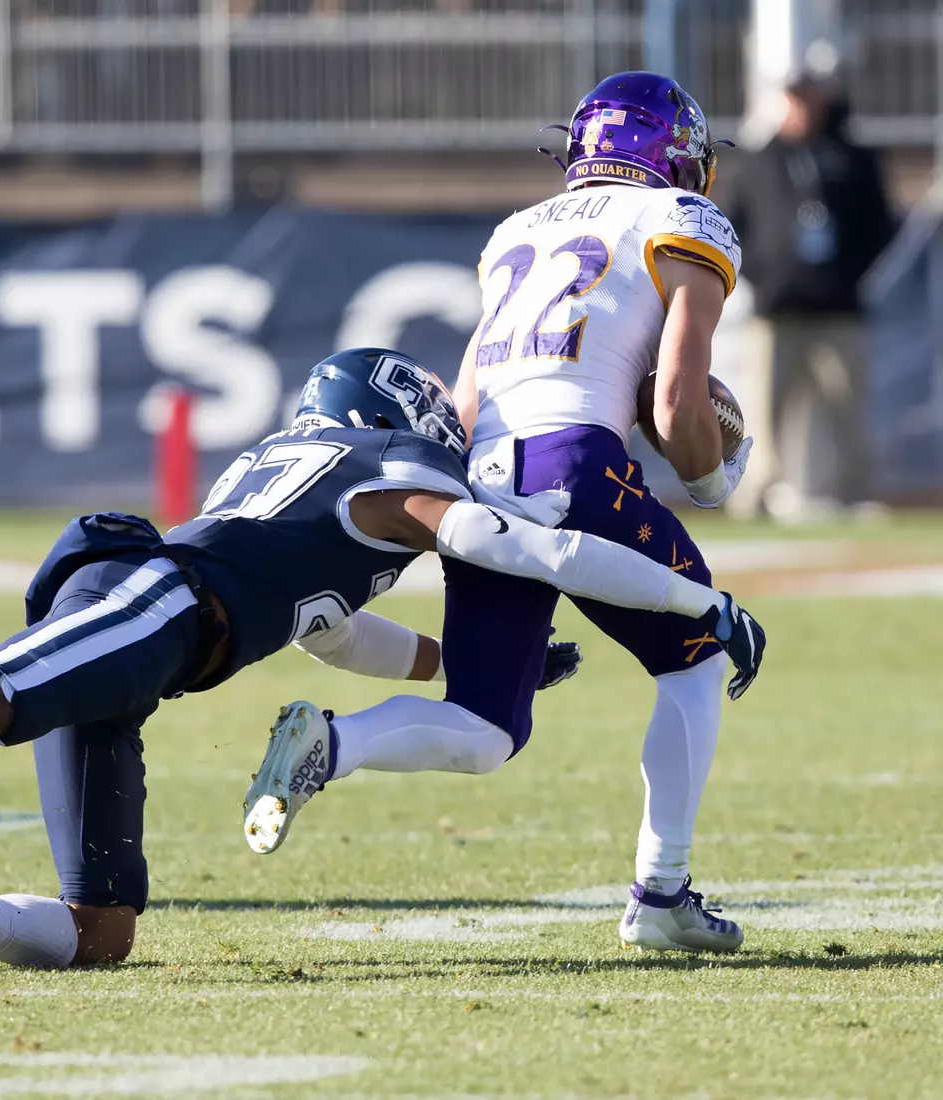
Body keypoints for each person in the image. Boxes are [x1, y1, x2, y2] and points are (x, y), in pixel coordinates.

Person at [0, 347, 765, 976]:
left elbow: (332, 632)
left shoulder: (298, 468)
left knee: (101, 932)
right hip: (159, 603)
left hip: (156, 628)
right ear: (394, 413)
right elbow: (511, 545)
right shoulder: (384, 463)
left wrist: (460, 661)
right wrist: (686, 596)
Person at [240, 74, 768, 955]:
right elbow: (679, 407)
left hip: (483, 472)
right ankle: (662, 894)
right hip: (574, 461)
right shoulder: (684, 219)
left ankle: (333, 742)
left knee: (485, 728)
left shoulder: (516, 232)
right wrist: (716, 480)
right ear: (680, 157)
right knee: (697, 656)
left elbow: (467, 405)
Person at [717, 70, 895, 519]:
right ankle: (756, 495)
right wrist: (764, 277)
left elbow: (878, 226)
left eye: (809, 99)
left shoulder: (851, 158)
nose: (801, 109)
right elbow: (733, 225)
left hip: (838, 308)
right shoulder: (759, 160)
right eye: (795, 99)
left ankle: (855, 492)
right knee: (762, 410)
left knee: (848, 405)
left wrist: (848, 276)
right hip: (776, 309)